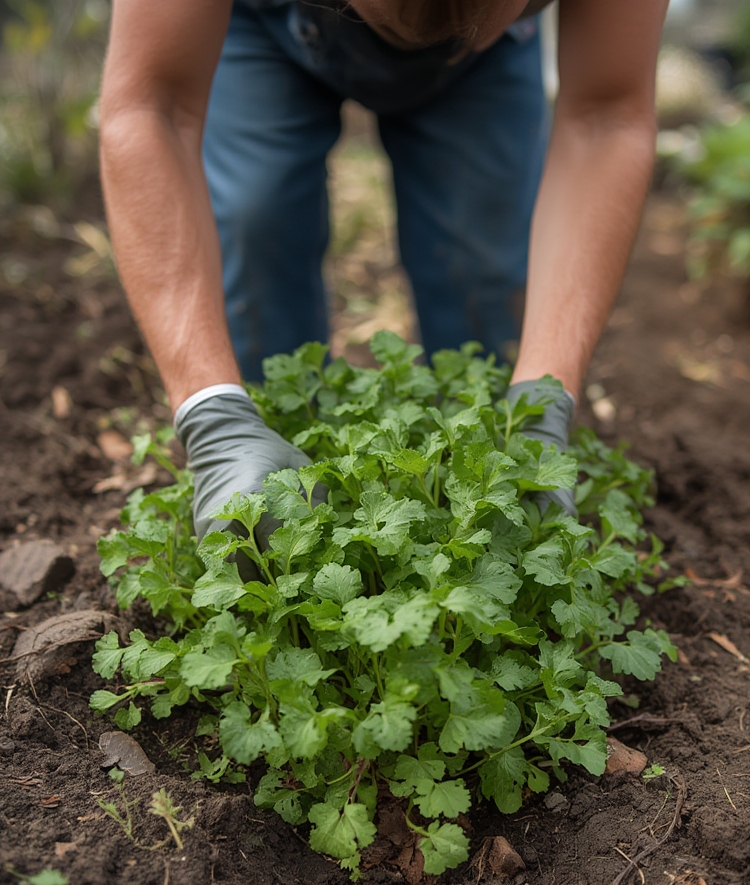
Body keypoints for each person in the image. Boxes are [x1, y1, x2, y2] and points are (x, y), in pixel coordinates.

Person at [99, 0, 668, 538]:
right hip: (260, 20)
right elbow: (154, 109)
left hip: (488, 59)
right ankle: (255, 460)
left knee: (481, 269)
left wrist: (543, 404)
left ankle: (490, 465)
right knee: (257, 222)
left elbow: (606, 117)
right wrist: (214, 416)